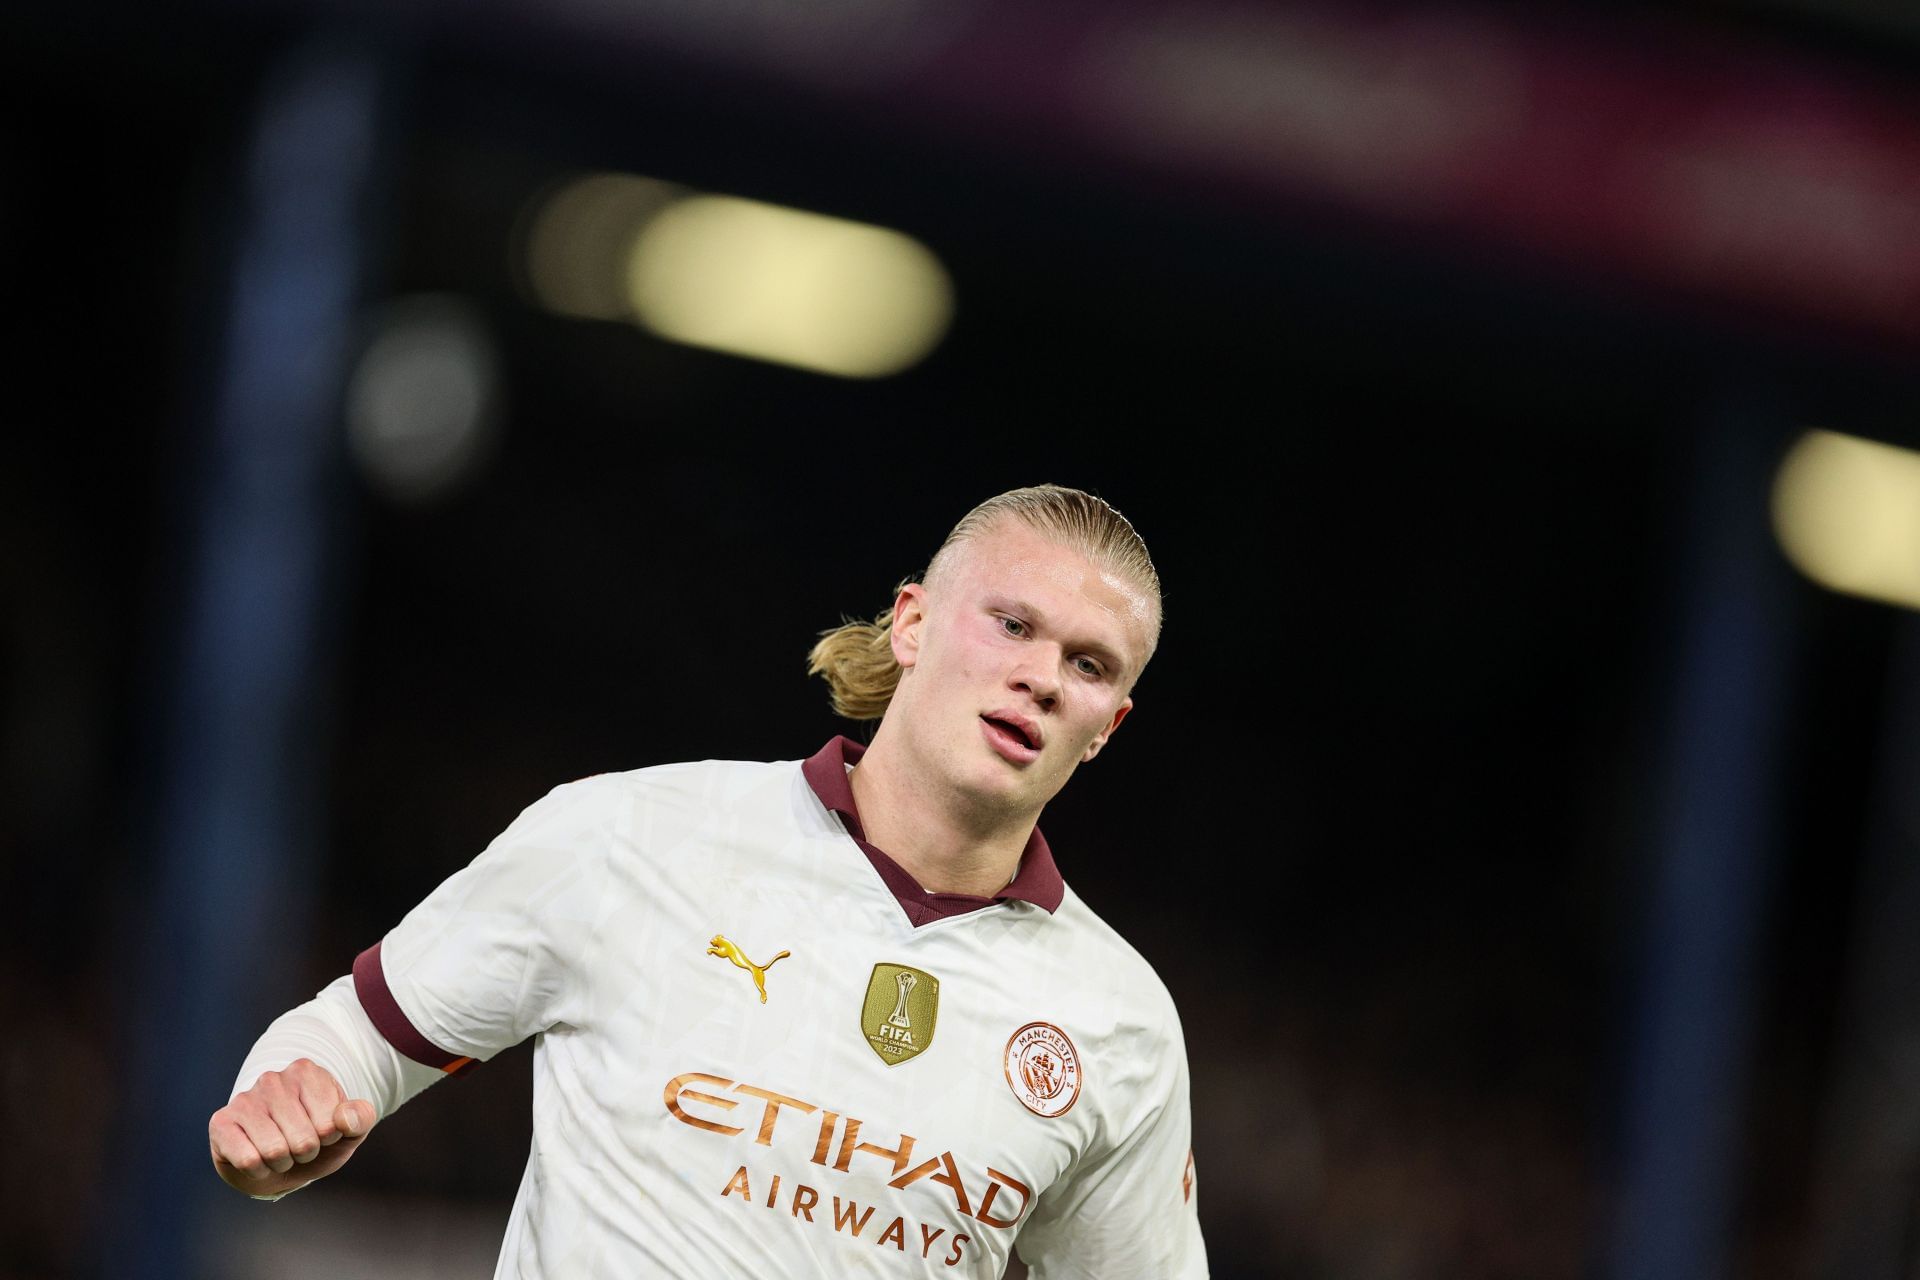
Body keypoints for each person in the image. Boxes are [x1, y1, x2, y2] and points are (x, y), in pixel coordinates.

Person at [209, 483, 1207, 1278]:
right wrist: (291, 1097)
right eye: (1012, 624)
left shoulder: (1118, 1021)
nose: (1040, 675)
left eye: (1088, 662)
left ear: (1105, 727)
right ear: (912, 623)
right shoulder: (630, 835)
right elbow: (353, 1038)